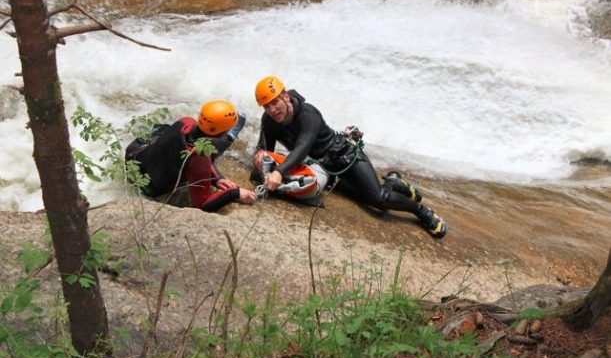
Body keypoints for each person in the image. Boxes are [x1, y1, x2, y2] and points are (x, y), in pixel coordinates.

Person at [252, 76, 447, 238]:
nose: (272, 110)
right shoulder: (269, 121)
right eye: (266, 106)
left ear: (285, 96)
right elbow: (265, 150)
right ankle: (394, 182)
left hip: (346, 157)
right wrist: (259, 168)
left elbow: (302, 147)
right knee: (366, 199)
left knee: (379, 200)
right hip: (324, 168)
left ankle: (421, 211)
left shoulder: (307, 113)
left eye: (275, 102)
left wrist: (279, 173)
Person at [125, 100, 256, 212]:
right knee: (210, 150)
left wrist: (217, 179)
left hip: (134, 159)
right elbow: (203, 204)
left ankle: (225, 138)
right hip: (149, 189)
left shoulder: (186, 121)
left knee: (165, 132)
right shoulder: (199, 158)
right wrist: (235, 193)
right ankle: (228, 138)